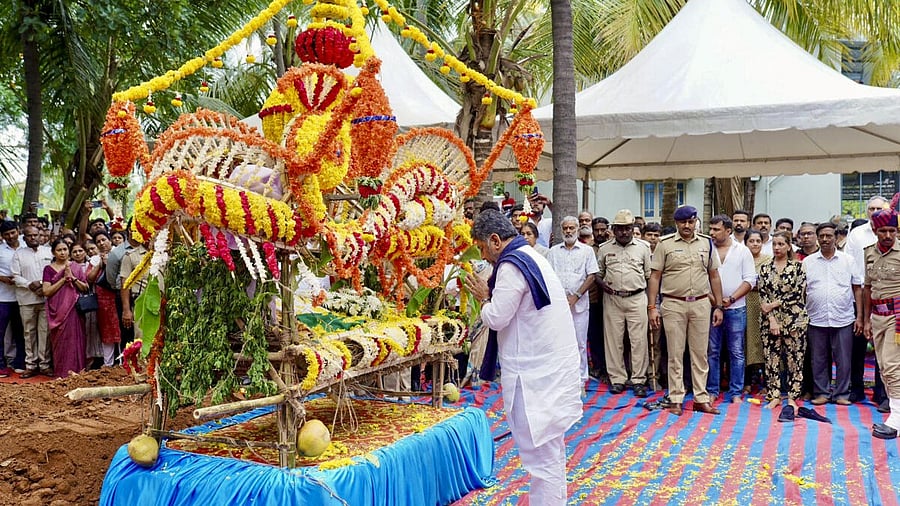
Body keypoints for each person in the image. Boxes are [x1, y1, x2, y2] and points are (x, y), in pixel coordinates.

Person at [463, 210, 582, 504]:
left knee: (542, 459)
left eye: (481, 247)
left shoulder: (511, 266)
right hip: (548, 370)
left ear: (494, 241)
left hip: (534, 377)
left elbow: (496, 318)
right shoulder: (531, 256)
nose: (483, 255)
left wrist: (483, 298)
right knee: (550, 455)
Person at [648, 205, 724, 416]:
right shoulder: (665, 244)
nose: (687, 226)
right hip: (673, 304)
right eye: (683, 222)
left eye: (691, 222)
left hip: (700, 304)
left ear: (696, 221)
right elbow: (655, 276)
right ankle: (676, 399)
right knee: (675, 353)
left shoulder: (707, 243)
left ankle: (701, 398)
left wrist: (718, 306)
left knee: (700, 354)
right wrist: (652, 307)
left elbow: (714, 275)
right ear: (676, 223)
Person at [804, 222, 863, 406]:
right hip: (816, 317)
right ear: (817, 237)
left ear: (836, 237)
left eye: (829, 236)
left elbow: (857, 289)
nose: (825, 239)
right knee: (818, 358)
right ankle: (821, 392)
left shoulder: (848, 260)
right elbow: (802, 289)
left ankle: (841, 394)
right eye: (821, 236)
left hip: (843, 317)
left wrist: (859, 316)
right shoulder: (808, 262)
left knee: (844, 359)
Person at [596, 209, 652, 397]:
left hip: (637, 297)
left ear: (632, 228)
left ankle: (638, 380)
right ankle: (617, 379)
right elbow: (598, 273)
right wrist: (604, 286)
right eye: (620, 228)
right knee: (613, 340)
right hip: (612, 299)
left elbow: (649, 275)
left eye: (628, 228)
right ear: (613, 229)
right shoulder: (604, 248)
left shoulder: (643, 247)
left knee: (638, 340)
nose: (624, 232)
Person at [758, 231, 809, 419]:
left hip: (794, 319)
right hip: (769, 321)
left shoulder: (798, 267)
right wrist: (771, 317)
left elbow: (797, 293)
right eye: (775, 244)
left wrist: (774, 303)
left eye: (781, 244)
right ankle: (774, 395)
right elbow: (763, 295)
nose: (777, 248)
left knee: (795, 358)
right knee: (771, 358)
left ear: (789, 246)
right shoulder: (765, 268)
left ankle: (793, 396)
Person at [706, 215, 756, 403]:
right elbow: (702, 279)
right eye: (710, 229)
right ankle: (712, 390)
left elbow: (750, 279)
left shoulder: (742, 251)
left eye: (716, 229)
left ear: (728, 230)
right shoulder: (706, 249)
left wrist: (731, 298)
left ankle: (736, 392)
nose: (711, 233)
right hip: (711, 307)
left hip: (736, 307)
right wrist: (716, 301)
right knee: (713, 351)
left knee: (736, 352)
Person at [846, 196, 889, 409]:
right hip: (860, 294)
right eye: (871, 208)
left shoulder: (892, 232)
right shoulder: (856, 234)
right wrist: (860, 313)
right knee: (857, 345)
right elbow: (851, 269)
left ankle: (883, 393)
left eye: (878, 208)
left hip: (885, 298)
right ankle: (856, 388)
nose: (874, 212)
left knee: (884, 346)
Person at [547, 216, 599, 385]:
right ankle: (561, 377)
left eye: (571, 228)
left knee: (580, 342)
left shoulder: (586, 251)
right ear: (561, 230)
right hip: (558, 305)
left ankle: (581, 379)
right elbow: (548, 277)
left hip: (580, 305)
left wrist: (576, 295)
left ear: (577, 229)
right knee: (558, 341)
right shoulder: (553, 251)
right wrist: (560, 299)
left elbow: (592, 275)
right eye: (565, 228)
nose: (568, 231)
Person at [863, 209, 900, 439]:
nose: (888, 235)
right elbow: (867, 288)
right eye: (883, 231)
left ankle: (896, 420)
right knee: (884, 367)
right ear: (875, 231)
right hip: (877, 315)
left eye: (892, 231)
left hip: (898, 315)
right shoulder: (868, 253)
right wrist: (865, 319)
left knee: (892, 364)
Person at [42, 239, 89, 378]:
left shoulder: (75, 266)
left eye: (65, 249)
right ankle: (61, 374)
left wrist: (73, 278)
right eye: (59, 250)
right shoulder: (48, 269)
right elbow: (46, 291)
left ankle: (77, 373)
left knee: (75, 341)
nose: (62, 253)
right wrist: (63, 279)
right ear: (53, 252)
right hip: (56, 311)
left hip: (73, 310)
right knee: (60, 342)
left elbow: (85, 288)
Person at [11, 226, 53, 377]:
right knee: (29, 333)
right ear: (24, 237)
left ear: (40, 236)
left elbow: (53, 272)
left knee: (45, 332)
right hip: (26, 299)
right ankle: (30, 364)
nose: (33, 238)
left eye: (36, 235)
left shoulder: (48, 252)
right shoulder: (18, 254)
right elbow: (15, 276)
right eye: (29, 236)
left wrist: (42, 284)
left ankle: (44, 364)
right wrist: (30, 285)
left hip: (45, 297)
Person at [743, 229, 770, 394]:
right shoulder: (740, 259)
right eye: (751, 241)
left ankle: (767, 384)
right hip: (744, 303)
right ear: (745, 243)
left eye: (758, 241)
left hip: (764, 305)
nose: (754, 244)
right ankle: (747, 382)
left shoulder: (769, 260)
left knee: (764, 342)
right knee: (745, 343)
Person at [91, 231, 121, 364]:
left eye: (104, 240)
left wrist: (110, 264)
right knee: (106, 330)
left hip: (119, 297)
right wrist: (100, 264)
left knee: (121, 329)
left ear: (110, 240)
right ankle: (107, 364)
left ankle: (122, 362)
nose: (102, 243)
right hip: (103, 300)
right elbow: (89, 278)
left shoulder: (119, 254)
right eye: (98, 242)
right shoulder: (94, 259)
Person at [71, 243, 103, 369]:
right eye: (75, 252)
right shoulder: (68, 266)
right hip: (72, 302)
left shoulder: (92, 263)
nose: (78, 254)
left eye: (80, 251)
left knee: (92, 329)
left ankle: (94, 360)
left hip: (90, 300)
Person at [0, 221, 24, 376]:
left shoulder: (26, 246)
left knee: (21, 332)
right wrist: (2, 278)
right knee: (0, 333)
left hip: (23, 297)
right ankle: (1, 365)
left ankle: (20, 362)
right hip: (3, 297)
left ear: (18, 231)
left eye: (12, 232)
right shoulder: (0, 250)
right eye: (6, 234)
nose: (10, 236)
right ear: (2, 236)